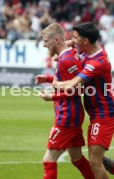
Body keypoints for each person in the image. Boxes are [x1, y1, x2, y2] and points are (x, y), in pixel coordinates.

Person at [53, 22, 114, 179]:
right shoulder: (88, 49)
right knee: (98, 159)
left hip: (105, 114)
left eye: (75, 38)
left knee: (95, 162)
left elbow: (73, 84)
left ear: (86, 41)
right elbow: (59, 52)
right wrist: (68, 44)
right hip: (97, 113)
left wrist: (54, 83)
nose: (72, 41)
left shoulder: (97, 62)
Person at [34, 23, 95, 179]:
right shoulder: (67, 56)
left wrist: (52, 97)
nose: (44, 44)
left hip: (67, 116)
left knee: (48, 160)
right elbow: (68, 81)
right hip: (72, 114)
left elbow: (78, 89)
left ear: (56, 40)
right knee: (77, 158)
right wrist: (47, 79)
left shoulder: (66, 60)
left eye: (46, 40)